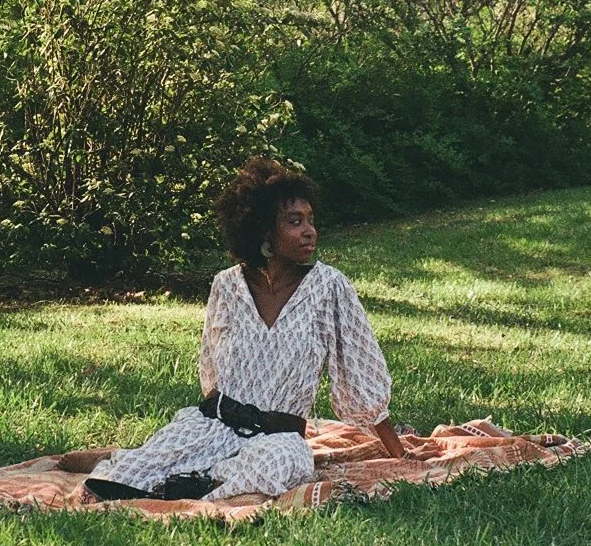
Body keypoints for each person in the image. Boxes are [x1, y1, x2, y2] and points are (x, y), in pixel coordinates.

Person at [85, 156, 406, 503]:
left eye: (310, 220)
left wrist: (398, 452)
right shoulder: (226, 286)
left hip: (279, 439)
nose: (309, 230)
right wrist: (194, 434)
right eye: (294, 222)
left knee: (271, 466)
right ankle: (175, 476)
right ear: (264, 232)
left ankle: (195, 484)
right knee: (128, 471)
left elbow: (361, 375)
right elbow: (211, 375)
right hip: (216, 426)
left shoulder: (329, 287)